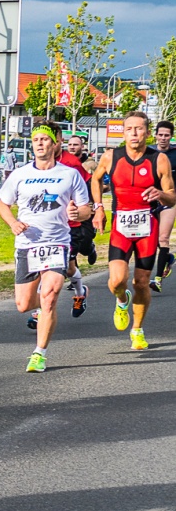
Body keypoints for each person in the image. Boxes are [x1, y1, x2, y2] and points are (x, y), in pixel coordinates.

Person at [0, 121, 90, 372]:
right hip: (28, 244)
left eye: (45, 139)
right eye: (36, 139)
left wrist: (77, 213)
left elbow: (85, 209)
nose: (40, 143)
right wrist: (13, 223)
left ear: (55, 143)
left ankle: (39, 354)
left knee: (48, 298)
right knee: (23, 304)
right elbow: (3, 205)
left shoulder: (70, 174)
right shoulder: (20, 174)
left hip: (57, 242)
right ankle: (58, 301)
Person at [90, 111, 176, 349]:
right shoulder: (111, 157)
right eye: (130, 129)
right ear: (124, 132)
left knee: (141, 282)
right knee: (117, 280)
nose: (135, 133)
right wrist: (98, 208)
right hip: (121, 226)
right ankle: (121, 299)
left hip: (148, 227)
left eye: (139, 129)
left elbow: (172, 197)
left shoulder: (158, 160)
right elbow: (95, 180)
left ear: (147, 132)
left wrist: (160, 194)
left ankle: (137, 329)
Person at [58, 132, 97, 316]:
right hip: (46, 227)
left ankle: (80, 294)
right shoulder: (37, 164)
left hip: (70, 225)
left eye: (47, 140)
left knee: (68, 267)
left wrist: (91, 208)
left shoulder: (73, 165)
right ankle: (38, 312)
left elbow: (87, 187)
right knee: (42, 270)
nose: (43, 145)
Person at [150, 120, 176, 291]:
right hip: (150, 199)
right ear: (156, 135)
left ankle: (157, 279)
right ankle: (167, 258)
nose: (163, 138)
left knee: (163, 238)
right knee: (152, 240)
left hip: (169, 200)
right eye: (161, 135)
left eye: (167, 135)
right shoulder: (149, 152)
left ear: (171, 137)